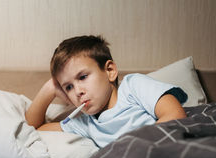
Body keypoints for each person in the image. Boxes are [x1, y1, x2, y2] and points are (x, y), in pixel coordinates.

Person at [25, 35, 188, 147]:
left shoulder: (133, 87)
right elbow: (33, 129)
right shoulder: (86, 124)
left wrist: (124, 150)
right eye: (68, 87)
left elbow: (175, 114)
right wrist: (49, 89)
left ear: (110, 71)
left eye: (82, 77)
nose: (77, 91)